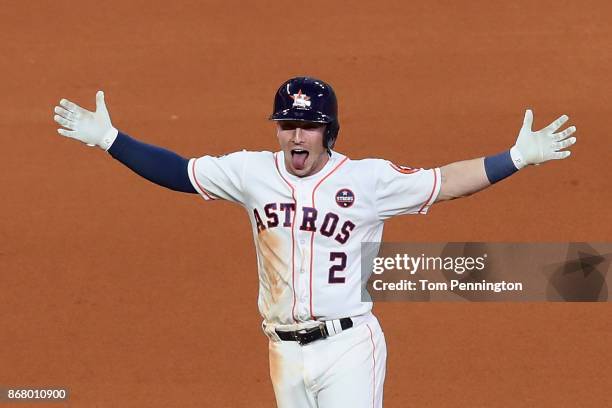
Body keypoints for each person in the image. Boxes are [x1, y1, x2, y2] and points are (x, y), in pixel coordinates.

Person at [53, 76, 577, 407]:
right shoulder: (250, 173)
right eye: (288, 124)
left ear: (329, 131)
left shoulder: (368, 181)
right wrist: (110, 140)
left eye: (308, 126)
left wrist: (516, 158)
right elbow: (180, 173)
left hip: (348, 345)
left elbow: (443, 183)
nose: (296, 136)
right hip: (283, 352)